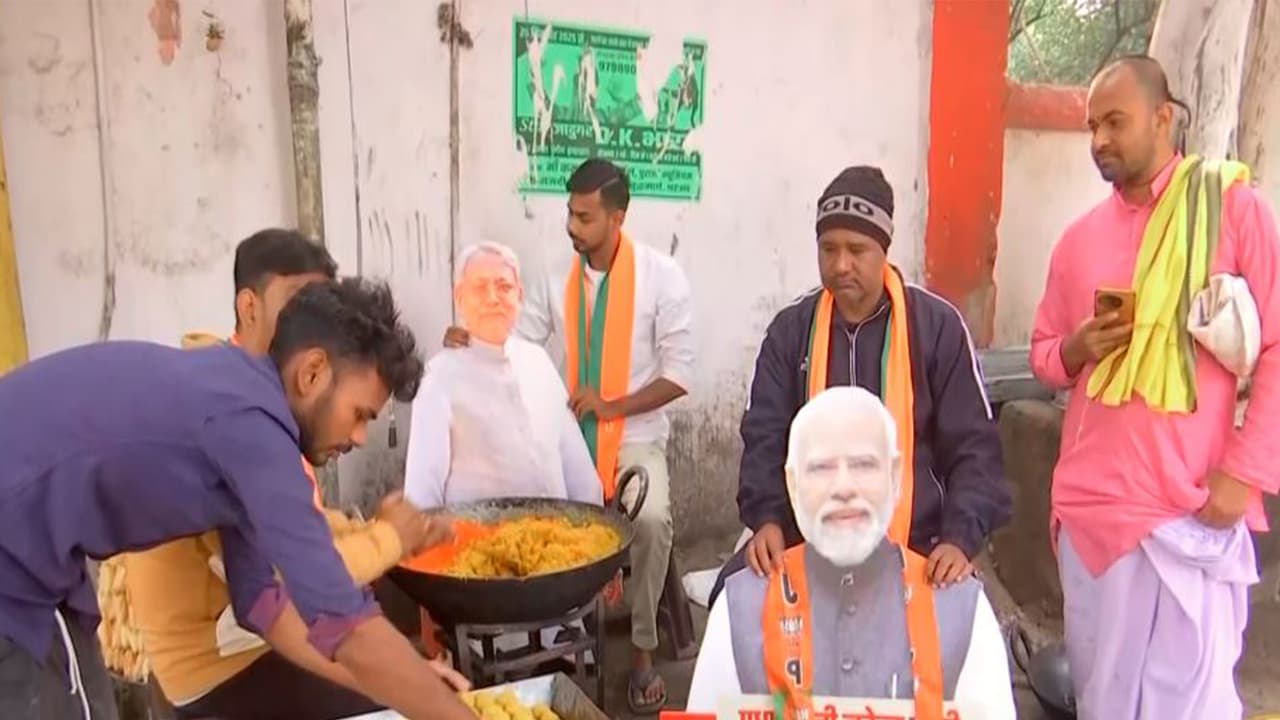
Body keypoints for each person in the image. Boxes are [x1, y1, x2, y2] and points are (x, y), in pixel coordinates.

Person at [0, 276, 475, 720]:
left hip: (39, 557)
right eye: (358, 414)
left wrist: (398, 685)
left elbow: (264, 608)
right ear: (312, 372)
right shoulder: (252, 427)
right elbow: (345, 621)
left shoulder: (239, 403)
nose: (358, 436)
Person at [1030, 55, 1280, 719]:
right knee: (1106, 701)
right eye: (1091, 127)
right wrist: (1078, 347)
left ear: (1164, 117)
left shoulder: (1231, 210)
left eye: (1115, 121)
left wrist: (1246, 472)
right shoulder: (1077, 242)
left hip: (1193, 505)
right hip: (1093, 511)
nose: (1099, 141)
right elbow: (1044, 357)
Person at [444, 159, 695, 713]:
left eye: (584, 217)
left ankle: (643, 651)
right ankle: (556, 639)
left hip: (634, 436)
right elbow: (518, 341)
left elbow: (680, 375)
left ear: (617, 217)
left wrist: (612, 406)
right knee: (525, 515)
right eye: (569, 212)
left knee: (649, 521)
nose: (572, 226)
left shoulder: (661, 276)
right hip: (569, 436)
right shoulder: (557, 279)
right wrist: (473, 338)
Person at [715, 165, 1010, 606]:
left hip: (918, 541)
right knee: (732, 600)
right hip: (806, 537)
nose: (840, 265)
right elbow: (765, 436)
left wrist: (959, 538)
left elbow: (974, 448)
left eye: (857, 250)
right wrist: (767, 520)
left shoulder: (936, 327)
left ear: (884, 249)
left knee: (967, 638)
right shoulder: (790, 332)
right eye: (828, 249)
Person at [686, 387, 1014, 719]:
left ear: (895, 476)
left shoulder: (961, 609)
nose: (843, 487)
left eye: (863, 465)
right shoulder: (740, 607)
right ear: (793, 485)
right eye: (821, 468)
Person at [405, 242, 602, 508]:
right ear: (459, 297)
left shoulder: (537, 361)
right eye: (479, 287)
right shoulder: (438, 378)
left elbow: (576, 463)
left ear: (520, 296)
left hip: (558, 538)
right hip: (478, 540)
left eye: (504, 286)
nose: (493, 298)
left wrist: (593, 524)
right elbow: (422, 490)